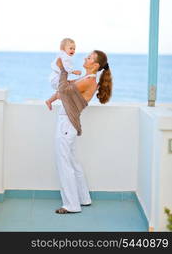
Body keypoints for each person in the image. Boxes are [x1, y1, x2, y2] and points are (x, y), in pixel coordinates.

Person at [54, 50, 113, 214]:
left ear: (95, 65)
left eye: (89, 57)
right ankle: (83, 198)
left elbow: (63, 89)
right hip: (69, 123)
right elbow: (63, 91)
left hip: (67, 123)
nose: (85, 58)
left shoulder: (88, 81)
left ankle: (71, 205)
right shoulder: (85, 79)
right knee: (72, 162)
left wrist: (63, 69)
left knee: (64, 164)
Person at [45, 38, 81, 110]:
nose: (73, 50)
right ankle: (68, 101)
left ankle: (49, 101)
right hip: (57, 78)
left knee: (62, 90)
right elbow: (66, 68)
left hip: (54, 77)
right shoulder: (66, 57)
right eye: (70, 48)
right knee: (64, 91)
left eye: (74, 49)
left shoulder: (61, 55)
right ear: (63, 49)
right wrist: (74, 72)